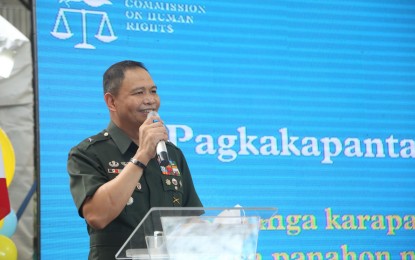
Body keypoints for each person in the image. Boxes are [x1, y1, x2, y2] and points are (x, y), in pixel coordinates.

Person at [67, 60, 203, 259]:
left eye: (153, 91)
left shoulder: (172, 154)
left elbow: (190, 220)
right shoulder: (88, 152)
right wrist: (142, 156)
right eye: (139, 93)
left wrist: (221, 232)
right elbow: (97, 215)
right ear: (111, 102)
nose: (150, 100)